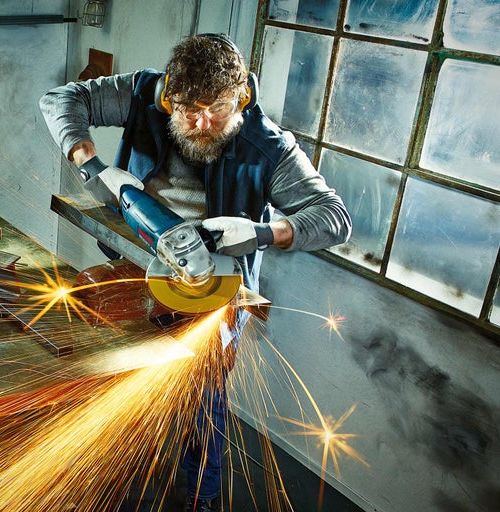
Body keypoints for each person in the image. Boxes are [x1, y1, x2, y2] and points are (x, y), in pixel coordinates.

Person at [40, 33, 351, 512]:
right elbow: (62, 98)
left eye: (220, 109)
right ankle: (108, 483)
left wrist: (265, 233)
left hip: (215, 295)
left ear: (241, 98)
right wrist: (91, 163)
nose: (205, 123)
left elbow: (334, 217)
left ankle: (200, 499)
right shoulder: (144, 95)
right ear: (169, 97)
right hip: (136, 266)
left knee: (205, 403)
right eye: (190, 110)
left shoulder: (269, 148)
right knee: (116, 381)